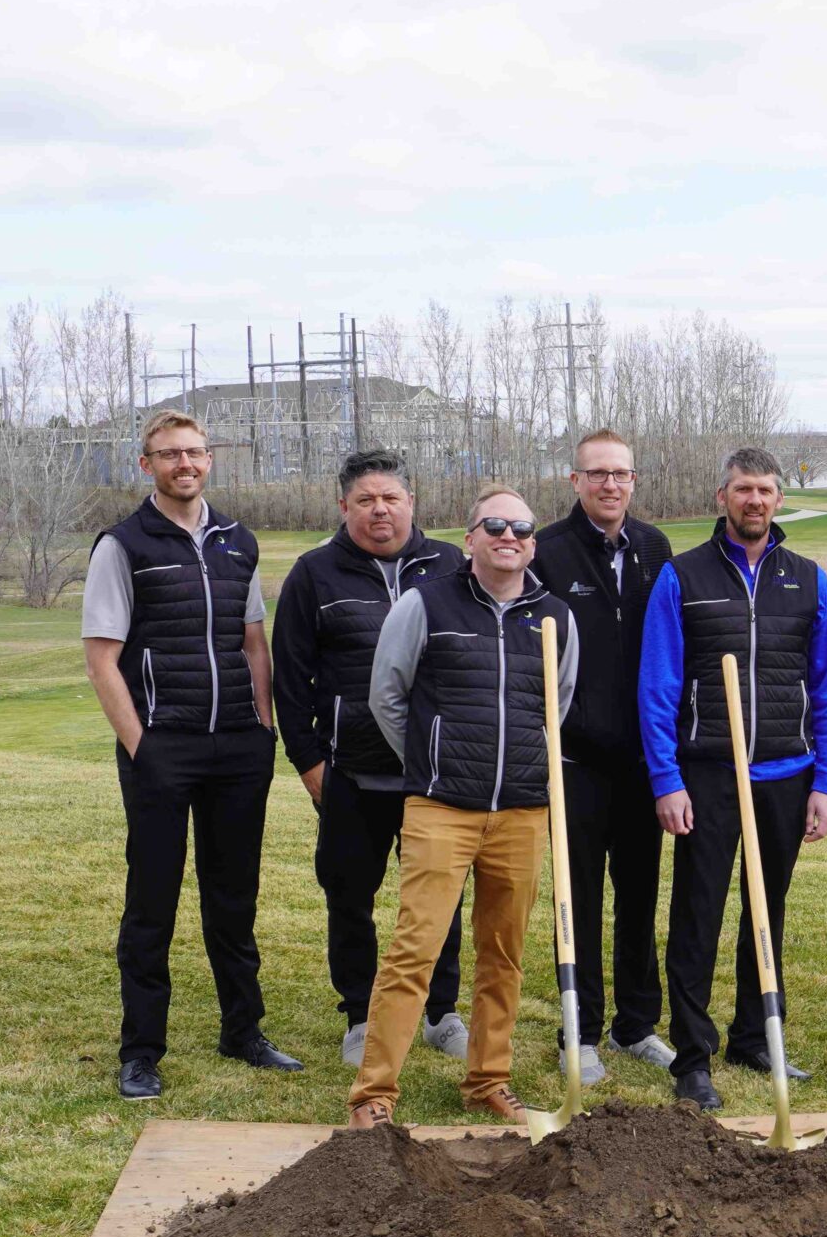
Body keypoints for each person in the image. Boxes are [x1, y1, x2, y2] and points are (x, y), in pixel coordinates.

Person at [82, 409, 299, 1101]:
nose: (186, 463)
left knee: (234, 899)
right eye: (170, 453)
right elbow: (101, 659)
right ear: (145, 464)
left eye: (196, 452)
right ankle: (141, 1049)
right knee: (152, 903)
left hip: (237, 744)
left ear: (210, 459)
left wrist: (262, 725)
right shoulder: (123, 544)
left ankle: (243, 1030)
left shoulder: (240, 541)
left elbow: (253, 640)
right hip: (162, 746)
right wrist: (140, 745)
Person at [347, 488, 578, 1128]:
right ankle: (374, 1095)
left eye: (523, 528)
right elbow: (387, 697)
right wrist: (432, 759)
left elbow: (554, 709)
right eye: (496, 525)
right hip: (442, 807)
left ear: (533, 541)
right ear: (470, 536)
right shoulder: (427, 603)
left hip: (524, 811)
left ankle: (487, 1079)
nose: (511, 536)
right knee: (414, 949)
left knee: (502, 953)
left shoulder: (553, 615)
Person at [638, 448, 827, 1112]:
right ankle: (692, 1056)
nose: (755, 500)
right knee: (698, 911)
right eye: (743, 489)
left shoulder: (808, 581)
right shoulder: (682, 577)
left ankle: (756, 1035)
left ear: (779, 499)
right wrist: (667, 779)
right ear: (722, 495)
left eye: (766, 490)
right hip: (707, 770)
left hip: (786, 769)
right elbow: (659, 685)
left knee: (768, 907)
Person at [271, 450, 467, 1068]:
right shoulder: (314, 575)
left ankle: (441, 1012)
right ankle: (360, 1014)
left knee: (440, 896)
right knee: (349, 896)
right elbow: (289, 681)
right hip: (350, 772)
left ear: (412, 502)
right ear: (344, 507)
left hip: (434, 772)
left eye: (391, 498)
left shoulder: (451, 567)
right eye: (366, 500)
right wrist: (311, 766)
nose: (380, 509)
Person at [533, 428, 675, 1071]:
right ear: (576, 481)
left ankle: (635, 1024)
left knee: (640, 893)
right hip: (575, 762)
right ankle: (580, 1031)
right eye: (597, 474)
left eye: (620, 473)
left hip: (643, 760)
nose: (609, 484)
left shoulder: (653, 547)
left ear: (634, 480)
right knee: (579, 897)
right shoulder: (549, 552)